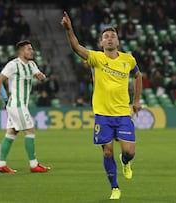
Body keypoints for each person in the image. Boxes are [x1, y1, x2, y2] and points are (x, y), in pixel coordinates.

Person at [61, 12, 142, 199]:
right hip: (102, 114)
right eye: (106, 37)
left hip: (122, 113)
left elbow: (138, 76)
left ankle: (125, 161)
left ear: (118, 42)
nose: (110, 39)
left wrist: (136, 100)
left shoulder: (128, 60)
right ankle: (114, 187)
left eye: (113, 36)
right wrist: (69, 29)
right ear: (101, 43)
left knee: (129, 151)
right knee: (107, 152)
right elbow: (76, 47)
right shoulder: (96, 58)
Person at [0, 40, 51, 173]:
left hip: (19, 105)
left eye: (31, 49)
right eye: (28, 49)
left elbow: (39, 75)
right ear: (21, 52)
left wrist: (41, 77)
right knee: (30, 131)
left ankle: (1, 164)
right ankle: (34, 164)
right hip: (17, 105)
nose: (31, 51)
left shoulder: (32, 64)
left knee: (11, 133)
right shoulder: (13, 65)